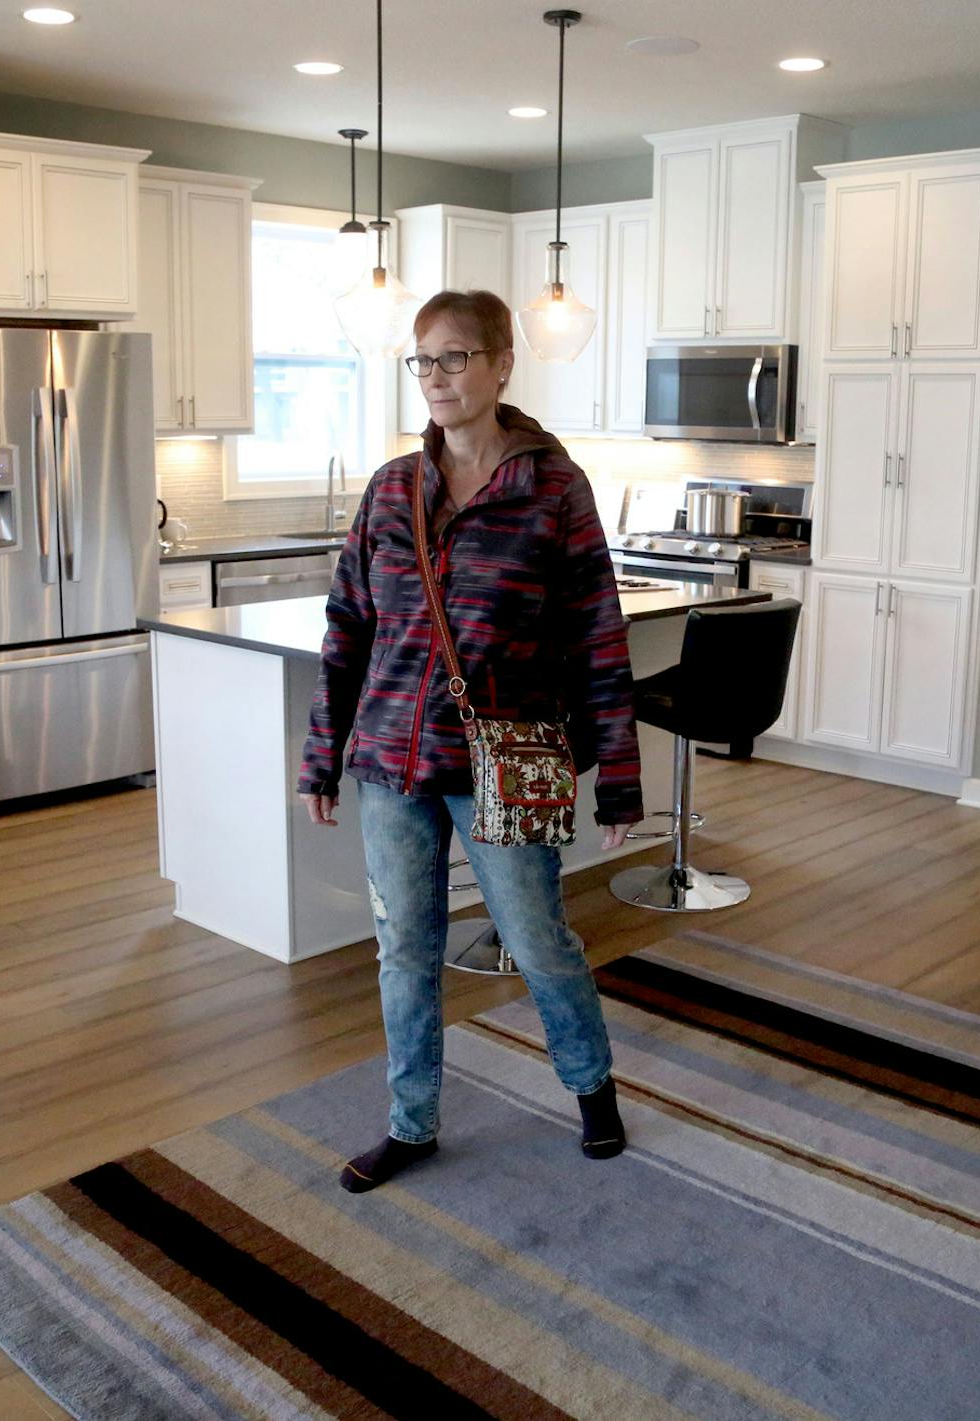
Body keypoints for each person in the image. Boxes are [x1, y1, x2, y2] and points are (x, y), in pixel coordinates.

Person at [298, 288, 643, 1192]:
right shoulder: (390, 489)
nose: (438, 378)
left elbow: (598, 635)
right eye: (424, 361)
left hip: (508, 762)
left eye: (455, 358)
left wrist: (619, 780)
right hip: (390, 763)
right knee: (404, 950)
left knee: (536, 938)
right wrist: (322, 751)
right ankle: (412, 1124)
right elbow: (348, 629)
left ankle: (592, 1088)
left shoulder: (553, 489)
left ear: (499, 365)